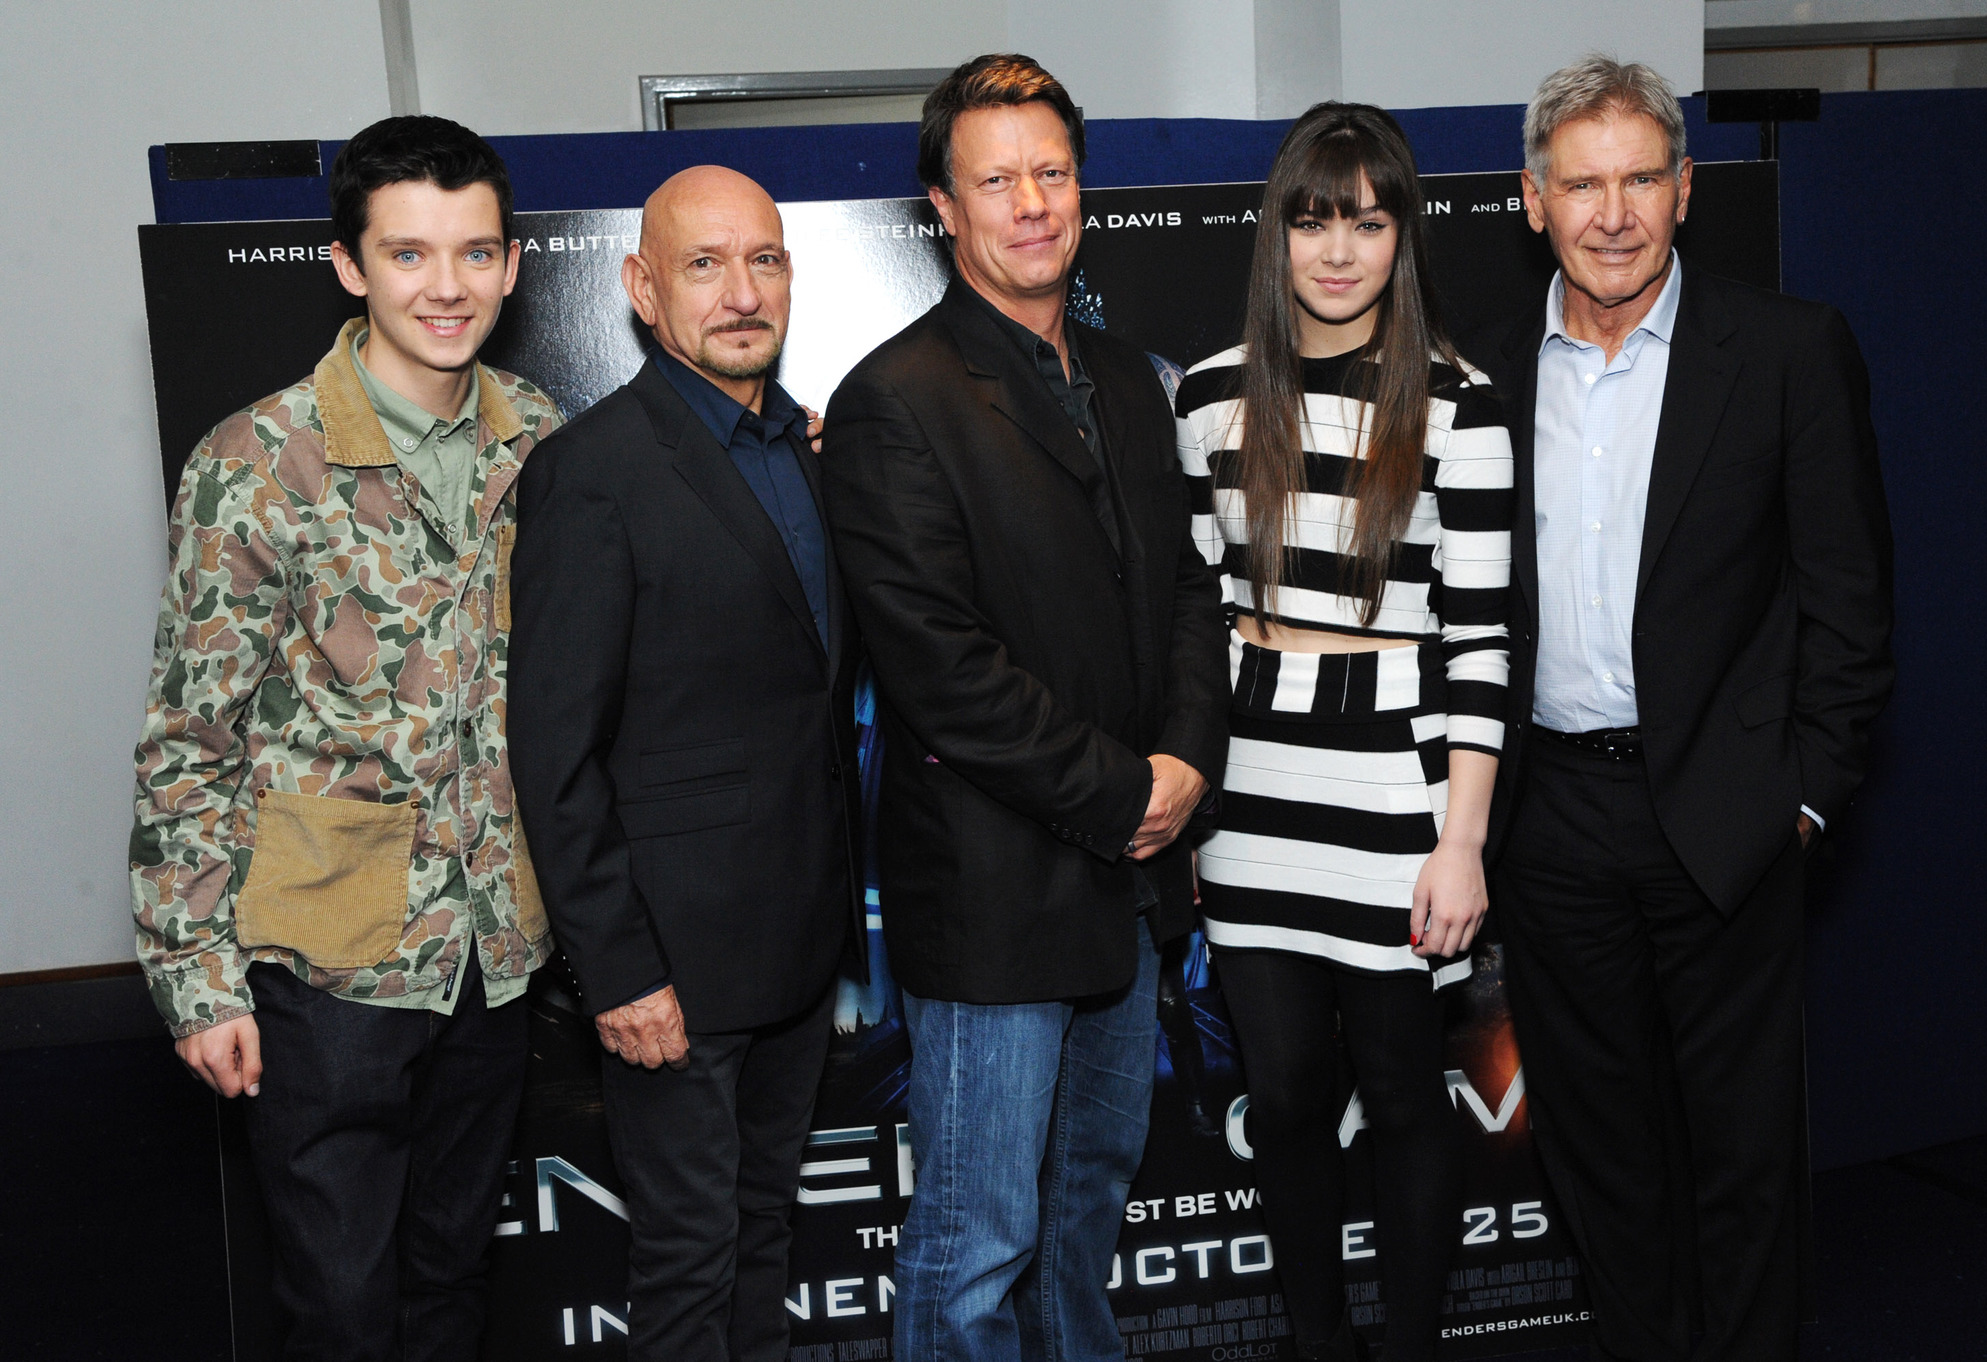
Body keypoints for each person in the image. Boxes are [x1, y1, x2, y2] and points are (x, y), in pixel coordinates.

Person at [1464, 56, 1894, 1362]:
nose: (1613, 213)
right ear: (1533, 199)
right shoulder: (1476, 372)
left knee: (1745, 1148)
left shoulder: (1786, 351)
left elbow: (1852, 607)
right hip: (1549, 825)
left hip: (1727, 812)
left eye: (1641, 178)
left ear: (1685, 189)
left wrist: (1802, 799)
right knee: (1598, 1147)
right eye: (1582, 184)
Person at [819, 53, 1229, 1362]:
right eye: (998, 179)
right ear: (946, 205)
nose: (1033, 202)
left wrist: (1186, 766)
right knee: (974, 1249)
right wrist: (1130, 796)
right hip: (997, 907)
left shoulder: (1122, 376)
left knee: (1078, 1234)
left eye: (1052, 172)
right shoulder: (900, 399)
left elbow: (1181, 595)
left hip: (1127, 894)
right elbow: (945, 670)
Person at [129, 115, 559, 1358]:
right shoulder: (256, 462)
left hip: (493, 948)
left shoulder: (542, 439)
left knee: (450, 1286)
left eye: (474, 253)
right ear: (349, 265)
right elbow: (188, 738)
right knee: (340, 1307)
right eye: (410, 253)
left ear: (512, 266)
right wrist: (198, 980)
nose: (447, 286)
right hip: (325, 968)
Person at [507, 165, 864, 1362]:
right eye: (703, 264)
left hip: (801, 949)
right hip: (668, 968)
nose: (739, 291)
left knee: (764, 1231)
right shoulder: (590, 471)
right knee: (684, 1258)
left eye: (761, 260)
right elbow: (553, 748)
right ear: (640, 289)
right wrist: (616, 971)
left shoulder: (814, 451)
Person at [1177, 102, 1513, 1361]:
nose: (1336, 250)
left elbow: (1480, 639)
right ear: (1277, 233)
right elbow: (1192, 618)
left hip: (1393, 789)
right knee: (1281, 1098)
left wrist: (1463, 841)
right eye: (1313, 219)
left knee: (1402, 1102)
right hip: (1251, 790)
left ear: (1400, 237)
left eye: (1366, 222)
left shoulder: (1459, 403)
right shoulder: (1210, 396)